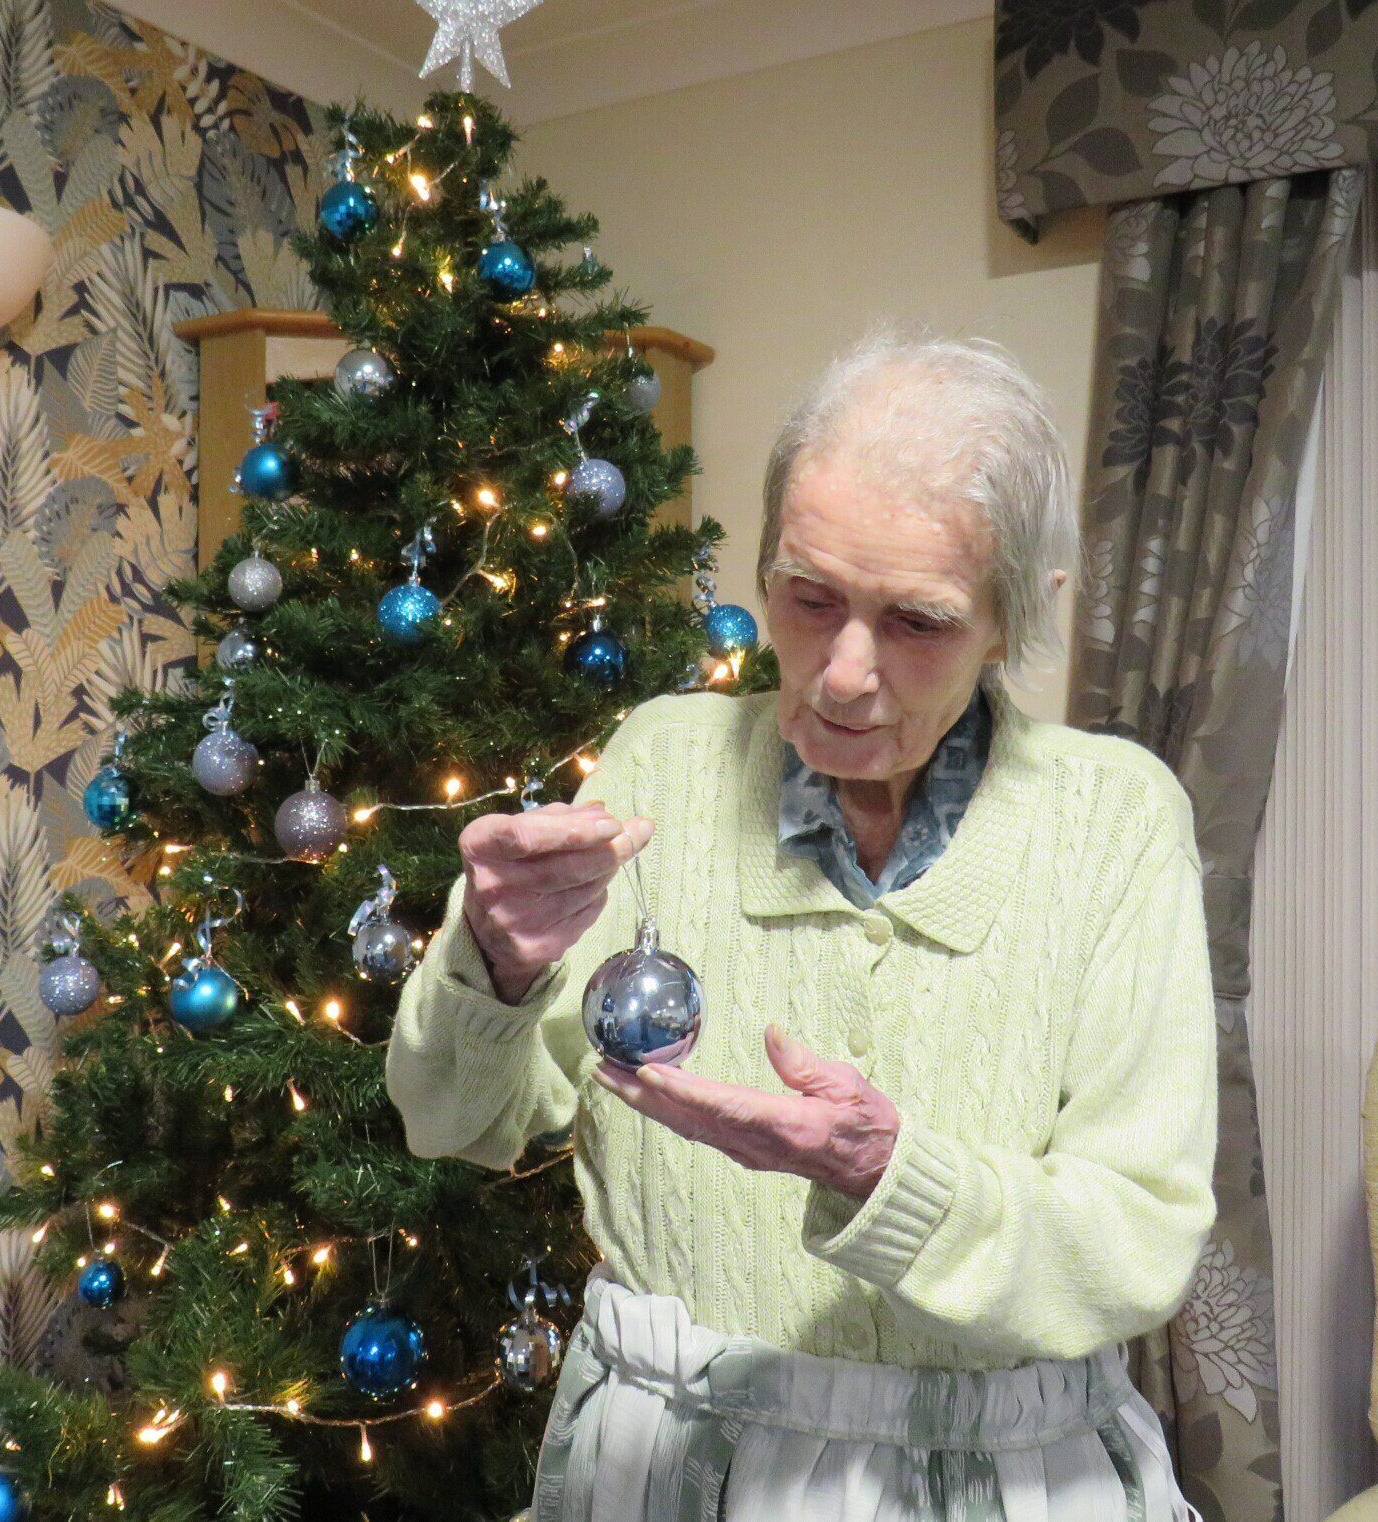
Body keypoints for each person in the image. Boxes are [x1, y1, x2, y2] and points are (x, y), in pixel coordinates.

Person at [386, 329, 1215, 1520]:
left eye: (918, 621)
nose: (839, 672)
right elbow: (453, 1123)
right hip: (669, 1475)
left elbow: (1139, 1237)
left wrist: (891, 1176)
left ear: (1016, 620)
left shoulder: (1114, 819)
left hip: (1023, 1480)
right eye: (808, 597)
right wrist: (496, 968)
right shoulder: (659, 759)